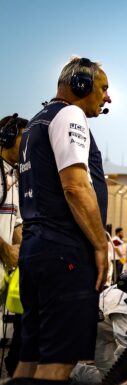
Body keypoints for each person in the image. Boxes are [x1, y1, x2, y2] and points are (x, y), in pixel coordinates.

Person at [14, 56, 110, 382]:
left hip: (36, 248)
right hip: (63, 251)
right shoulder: (70, 114)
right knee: (59, 362)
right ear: (81, 85)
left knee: (31, 358)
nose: (107, 97)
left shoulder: (37, 122)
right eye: (103, 88)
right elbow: (75, 186)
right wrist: (100, 244)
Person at [0, 114, 27, 376]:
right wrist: (6, 250)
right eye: (23, 138)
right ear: (7, 137)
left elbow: (17, 221)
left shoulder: (16, 176)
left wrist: (22, 252)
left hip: (5, 268)